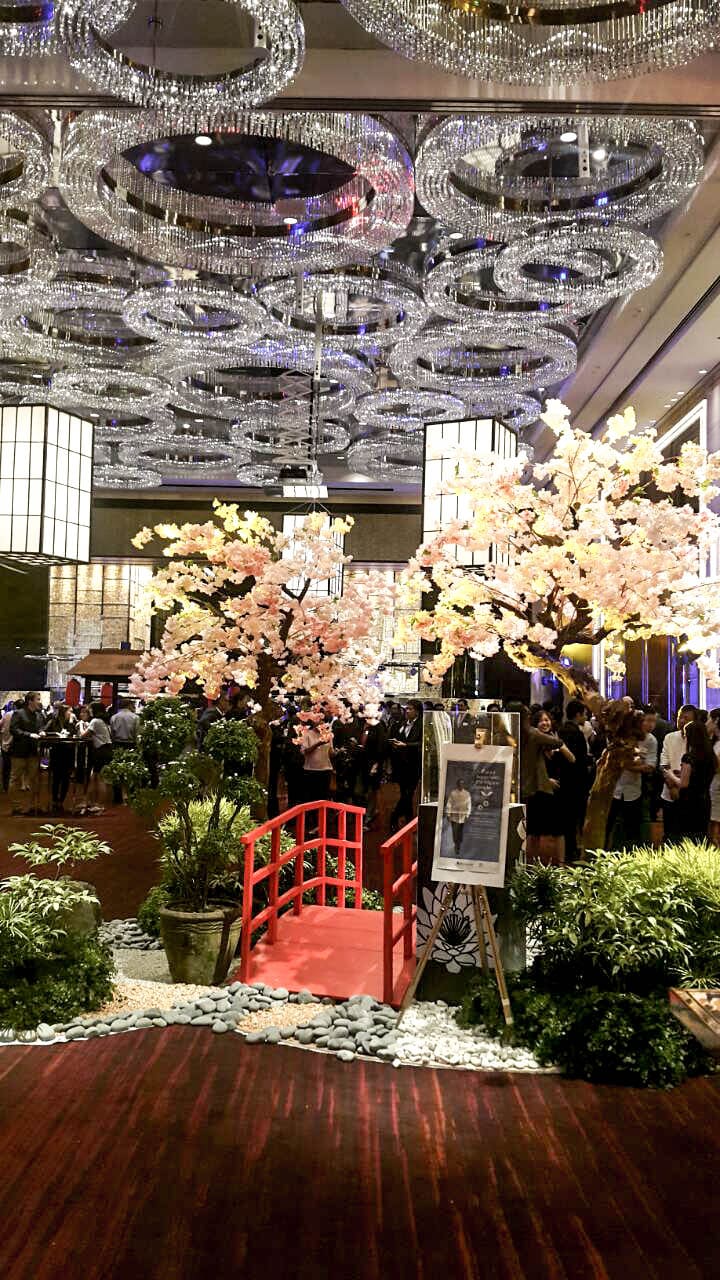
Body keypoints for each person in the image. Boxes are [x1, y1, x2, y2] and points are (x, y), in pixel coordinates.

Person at [517, 705, 575, 864]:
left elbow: (571, 759)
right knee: (538, 831)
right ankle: (538, 865)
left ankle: (533, 866)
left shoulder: (516, 734)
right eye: (541, 720)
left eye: (547, 720)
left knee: (540, 830)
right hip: (538, 789)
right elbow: (558, 745)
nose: (545, 723)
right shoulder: (534, 736)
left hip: (533, 789)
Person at [608, 709, 658, 851]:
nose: (650, 724)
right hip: (614, 788)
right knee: (610, 825)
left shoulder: (651, 740)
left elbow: (650, 766)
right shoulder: (623, 736)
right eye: (647, 720)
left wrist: (628, 766)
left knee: (633, 827)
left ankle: (632, 854)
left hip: (634, 789)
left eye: (653, 721)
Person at [665, 719, 716, 842]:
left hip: (688, 802)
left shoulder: (689, 757)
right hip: (704, 800)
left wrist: (670, 774)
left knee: (686, 837)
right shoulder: (711, 756)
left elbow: (684, 784)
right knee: (700, 837)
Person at [557, 699, 591, 861]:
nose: (586, 717)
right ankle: (572, 851)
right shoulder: (575, 732)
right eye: (584, 714)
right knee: (575, 818)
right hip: (576, 783)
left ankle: (567, 849)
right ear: (578, 714)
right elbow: (580, 760)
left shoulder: (561, 730)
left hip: (563, 781)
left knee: (566, 818)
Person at [660, 704, 699, 842]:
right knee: (669, 834)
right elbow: (664, 764)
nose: (681, 721)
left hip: (689, 795)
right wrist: (672, 786)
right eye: (679, 717)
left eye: (686, 718)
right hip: (669, 793)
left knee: (686, 836)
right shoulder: (669, 737)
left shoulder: (697, 741)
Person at [388, 699, 423, 832]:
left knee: (408, 794)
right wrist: (395, 743)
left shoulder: (422, 724)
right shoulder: (402, 723)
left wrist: (406, 745)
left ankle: (394, 816)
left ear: (417, 711)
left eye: (410, 709)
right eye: (406, 709)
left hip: (414, 765)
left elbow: (422, 743)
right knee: (404, 793)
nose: (407, 711)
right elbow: (397, 738)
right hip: (401, 765)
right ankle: (409, 821)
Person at [9, 691, 45, 814]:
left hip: (33, 751)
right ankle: (16, 807)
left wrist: (41, 731)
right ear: (30, 701)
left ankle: (33, 806)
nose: (39, 702)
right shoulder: (18, 713)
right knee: (15, 779)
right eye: (38, 699)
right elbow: (13, 729)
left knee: (34, 780)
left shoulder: (39, 715)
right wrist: (29, 735)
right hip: (19, 752)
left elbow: (40, 727)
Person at [44, 702, 77, 813]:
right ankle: (54, 800)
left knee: (66, 778)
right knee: (56, 778)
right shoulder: (54, 721)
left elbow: (75, 734)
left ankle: (61, 800)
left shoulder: (72, 722)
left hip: (68, 753)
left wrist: (72, 723)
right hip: (57, 752)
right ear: (64, 712)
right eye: (69, 711)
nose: (71, 713)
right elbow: (45, 731)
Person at [109, 697, 139, 803]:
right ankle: (131, 795)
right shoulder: (135, 717)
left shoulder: (114, 717)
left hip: (117, 744)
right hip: (131, 745)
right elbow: (137, 734)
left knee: (117, 771)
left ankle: (117, 797)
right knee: (132, 770)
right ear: (129, 705)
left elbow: (111, 733)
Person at [84, 702, 113, 810]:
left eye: (90, 709)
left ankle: (100, 805)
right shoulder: (103, 721)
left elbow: (84, 735)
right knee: (95, 777)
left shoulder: (95, 721)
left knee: (100, 778)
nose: (89, 711)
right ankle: (90, 802)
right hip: (106, 750)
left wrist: (81, 725)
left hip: (101, 751)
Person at [299, 719, 335, 804]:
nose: (321, 725)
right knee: (311, 797)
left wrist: (337, 753)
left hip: (326, 769)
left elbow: (331, 752)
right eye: (318, 723)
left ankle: (321, 815)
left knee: (323, 796)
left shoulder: (328, 735)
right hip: (311, 770)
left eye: (323, 723)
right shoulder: (307, 734)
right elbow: (304, 752)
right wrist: (318, 744)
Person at [445, 776, 472, 855]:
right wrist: (448, 814)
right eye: (459, 784)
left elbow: (469, 804)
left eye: (462, 784)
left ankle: (458, 844)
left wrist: (467, 814)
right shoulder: (453, 793)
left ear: (463, 785)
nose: (461, 785)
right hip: (454, 817)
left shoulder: (467, 794)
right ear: (457, 785)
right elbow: (449, 803)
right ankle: (456, 845)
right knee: (455, 832)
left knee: (460, 832)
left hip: (463, 817)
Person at [0, 699, 22, 793]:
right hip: (18, 746)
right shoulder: (23, 715)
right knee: (17, 768)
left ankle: (6, 787)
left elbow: (0, 725)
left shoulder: (7, 715)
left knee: (6, 767)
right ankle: (16, 787)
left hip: (6, 744)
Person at [708, 709, 720, 846]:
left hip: (717, 785)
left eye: (709, 720)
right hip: (714, 785)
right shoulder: (715, 742)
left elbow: (717, 767)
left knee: (716, 820)